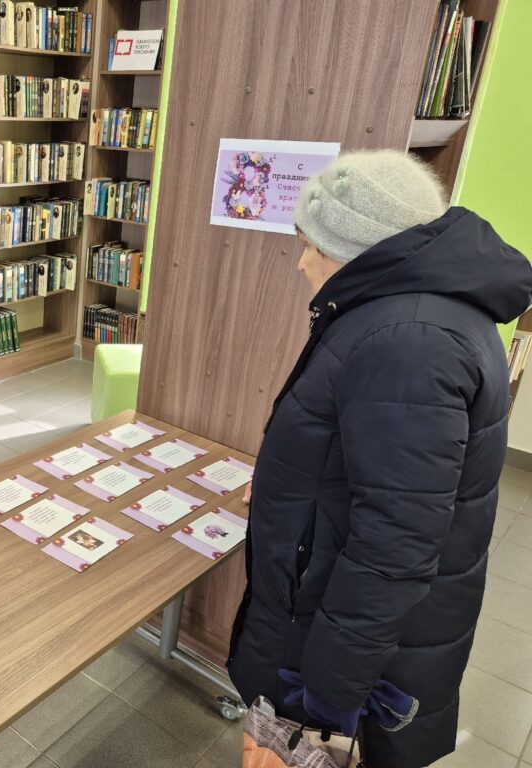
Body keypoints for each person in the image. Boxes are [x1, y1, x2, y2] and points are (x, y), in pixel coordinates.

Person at [227, 150, 532, 768]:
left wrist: (322, 705)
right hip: (345, 620)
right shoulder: (413, 311)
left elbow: (395, 543)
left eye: (309, 245)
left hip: (341, 656)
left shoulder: (408, 341)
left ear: (353, 244)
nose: (301, 262)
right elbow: (375, 474)